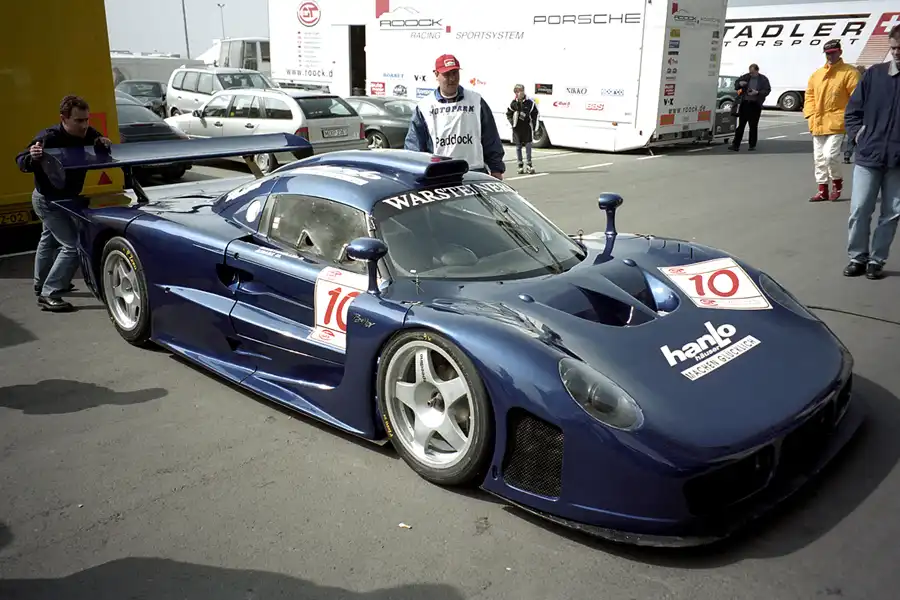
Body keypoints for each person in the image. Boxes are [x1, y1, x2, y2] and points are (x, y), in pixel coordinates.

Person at [15, 95, 111, 312]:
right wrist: (32, 156)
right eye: (79, 121)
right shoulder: (48, 137)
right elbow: (21, 161)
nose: (85, 125)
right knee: (74, 246)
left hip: (67, 198)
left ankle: (41, 285)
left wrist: (103, 144)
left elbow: (102, 153)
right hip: (47, 201)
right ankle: (50, 293)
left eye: (86, 119)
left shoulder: (90, 134)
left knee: (48, 241)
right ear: (63, 119)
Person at [842, 25, 900, 280]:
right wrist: (858, 135)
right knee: (860, 209)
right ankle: (858, 257)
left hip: (898, 162)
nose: (897, 53)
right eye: (894, 48)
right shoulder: (874, 75)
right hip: (869, 156)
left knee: (891, 213)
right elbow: (853, 111)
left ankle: (876, 260)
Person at [404, 54, 505, 179]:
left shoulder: (476, 101)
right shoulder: (424, 107)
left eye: (455, 73)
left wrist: (496, 169)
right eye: (447, 74)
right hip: (439, 174)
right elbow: (414, 148)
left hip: (474, 172)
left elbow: (491, 137)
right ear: (436, 74)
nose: (452, 78)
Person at [803, 40, 860, 202]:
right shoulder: (817, 74)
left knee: (830, 156)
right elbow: (809, 95)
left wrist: (851, 118)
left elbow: (856, 98)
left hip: (837, 122)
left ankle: (837, 183)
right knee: (819, 159)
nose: (830, 56)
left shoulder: (849, 73)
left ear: (840, 52)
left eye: (833, 52)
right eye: (828, 53)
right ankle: (822, 190)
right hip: (818, 122)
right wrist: (810, 114)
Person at [728, 64, 770, 152]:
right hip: (745, 103)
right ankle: (736, 145)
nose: (751, 74)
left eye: (753, 73)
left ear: (757, 71)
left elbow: (767, 90)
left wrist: (757, 92)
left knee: (753, 126)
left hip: (755, 105)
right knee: (741, 125)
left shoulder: (763, 79)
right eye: (750, 73)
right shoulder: (746, 77)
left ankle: (752, 145)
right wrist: (740, 83)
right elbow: (736, 84)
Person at [506, 84, 539, 174]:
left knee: (528, 145)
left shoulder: (530, 103)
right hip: (517, 128)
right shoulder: (513, 103)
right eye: (518, 91)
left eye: (521, 90)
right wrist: (512, 122)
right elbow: (508, 114)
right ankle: (520, 165)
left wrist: (534, 126)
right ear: (515, 93)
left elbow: (535, 114)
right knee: (518, 146)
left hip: (527, 127)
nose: (520, 92)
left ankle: (529, 164)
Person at [843, 65, 868, 164]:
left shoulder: (859, 84)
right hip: (863, 116)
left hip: (856, 115)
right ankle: (855, 155)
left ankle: (847, 155)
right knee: (858, 137)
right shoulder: (863, 85)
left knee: (852, 137)